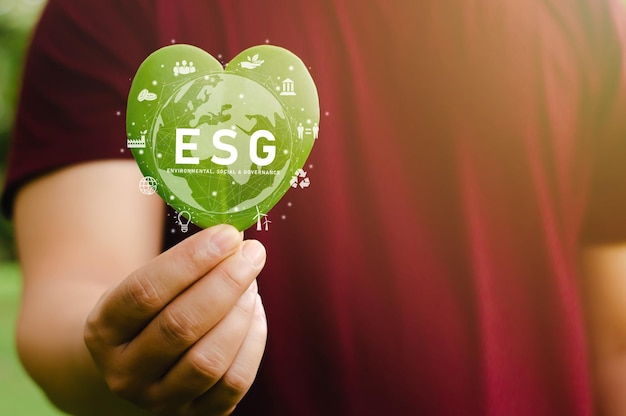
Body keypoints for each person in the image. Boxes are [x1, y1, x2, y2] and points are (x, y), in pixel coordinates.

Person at [3, 0, 626, 415]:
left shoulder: (584, 13)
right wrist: (124, 352)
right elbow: (70, 297)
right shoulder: (112, 10)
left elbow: (615, 340)